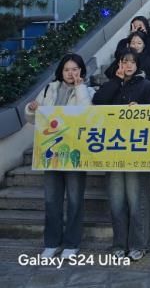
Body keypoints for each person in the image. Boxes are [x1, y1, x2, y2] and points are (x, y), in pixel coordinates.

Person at [25, 53, 93, 259]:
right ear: (61, 71)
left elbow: (87, 114)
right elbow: (33, 118)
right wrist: (31, 108)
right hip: (50, 152)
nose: (71, 73)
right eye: (67, 69)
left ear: (81, 70)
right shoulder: (49, 89)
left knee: (75, 200)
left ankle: (72, 243)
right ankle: (52, 242)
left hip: (75, 153)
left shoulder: (88, 90)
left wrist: (80, 88)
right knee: (51, 200)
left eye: (75, 69)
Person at [92, 48, 150, 261]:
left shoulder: (146, 85)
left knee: (137, 200)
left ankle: (138, 244)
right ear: (118, 64)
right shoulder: (111, 84)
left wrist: (141, 108)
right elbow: (97, 102)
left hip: (137, 152)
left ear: (137, 65)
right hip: (112, 150)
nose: (128, 65)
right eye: (124, 61)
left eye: (132, 62)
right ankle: (119, 243)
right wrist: (116, 81)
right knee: (116, 201)